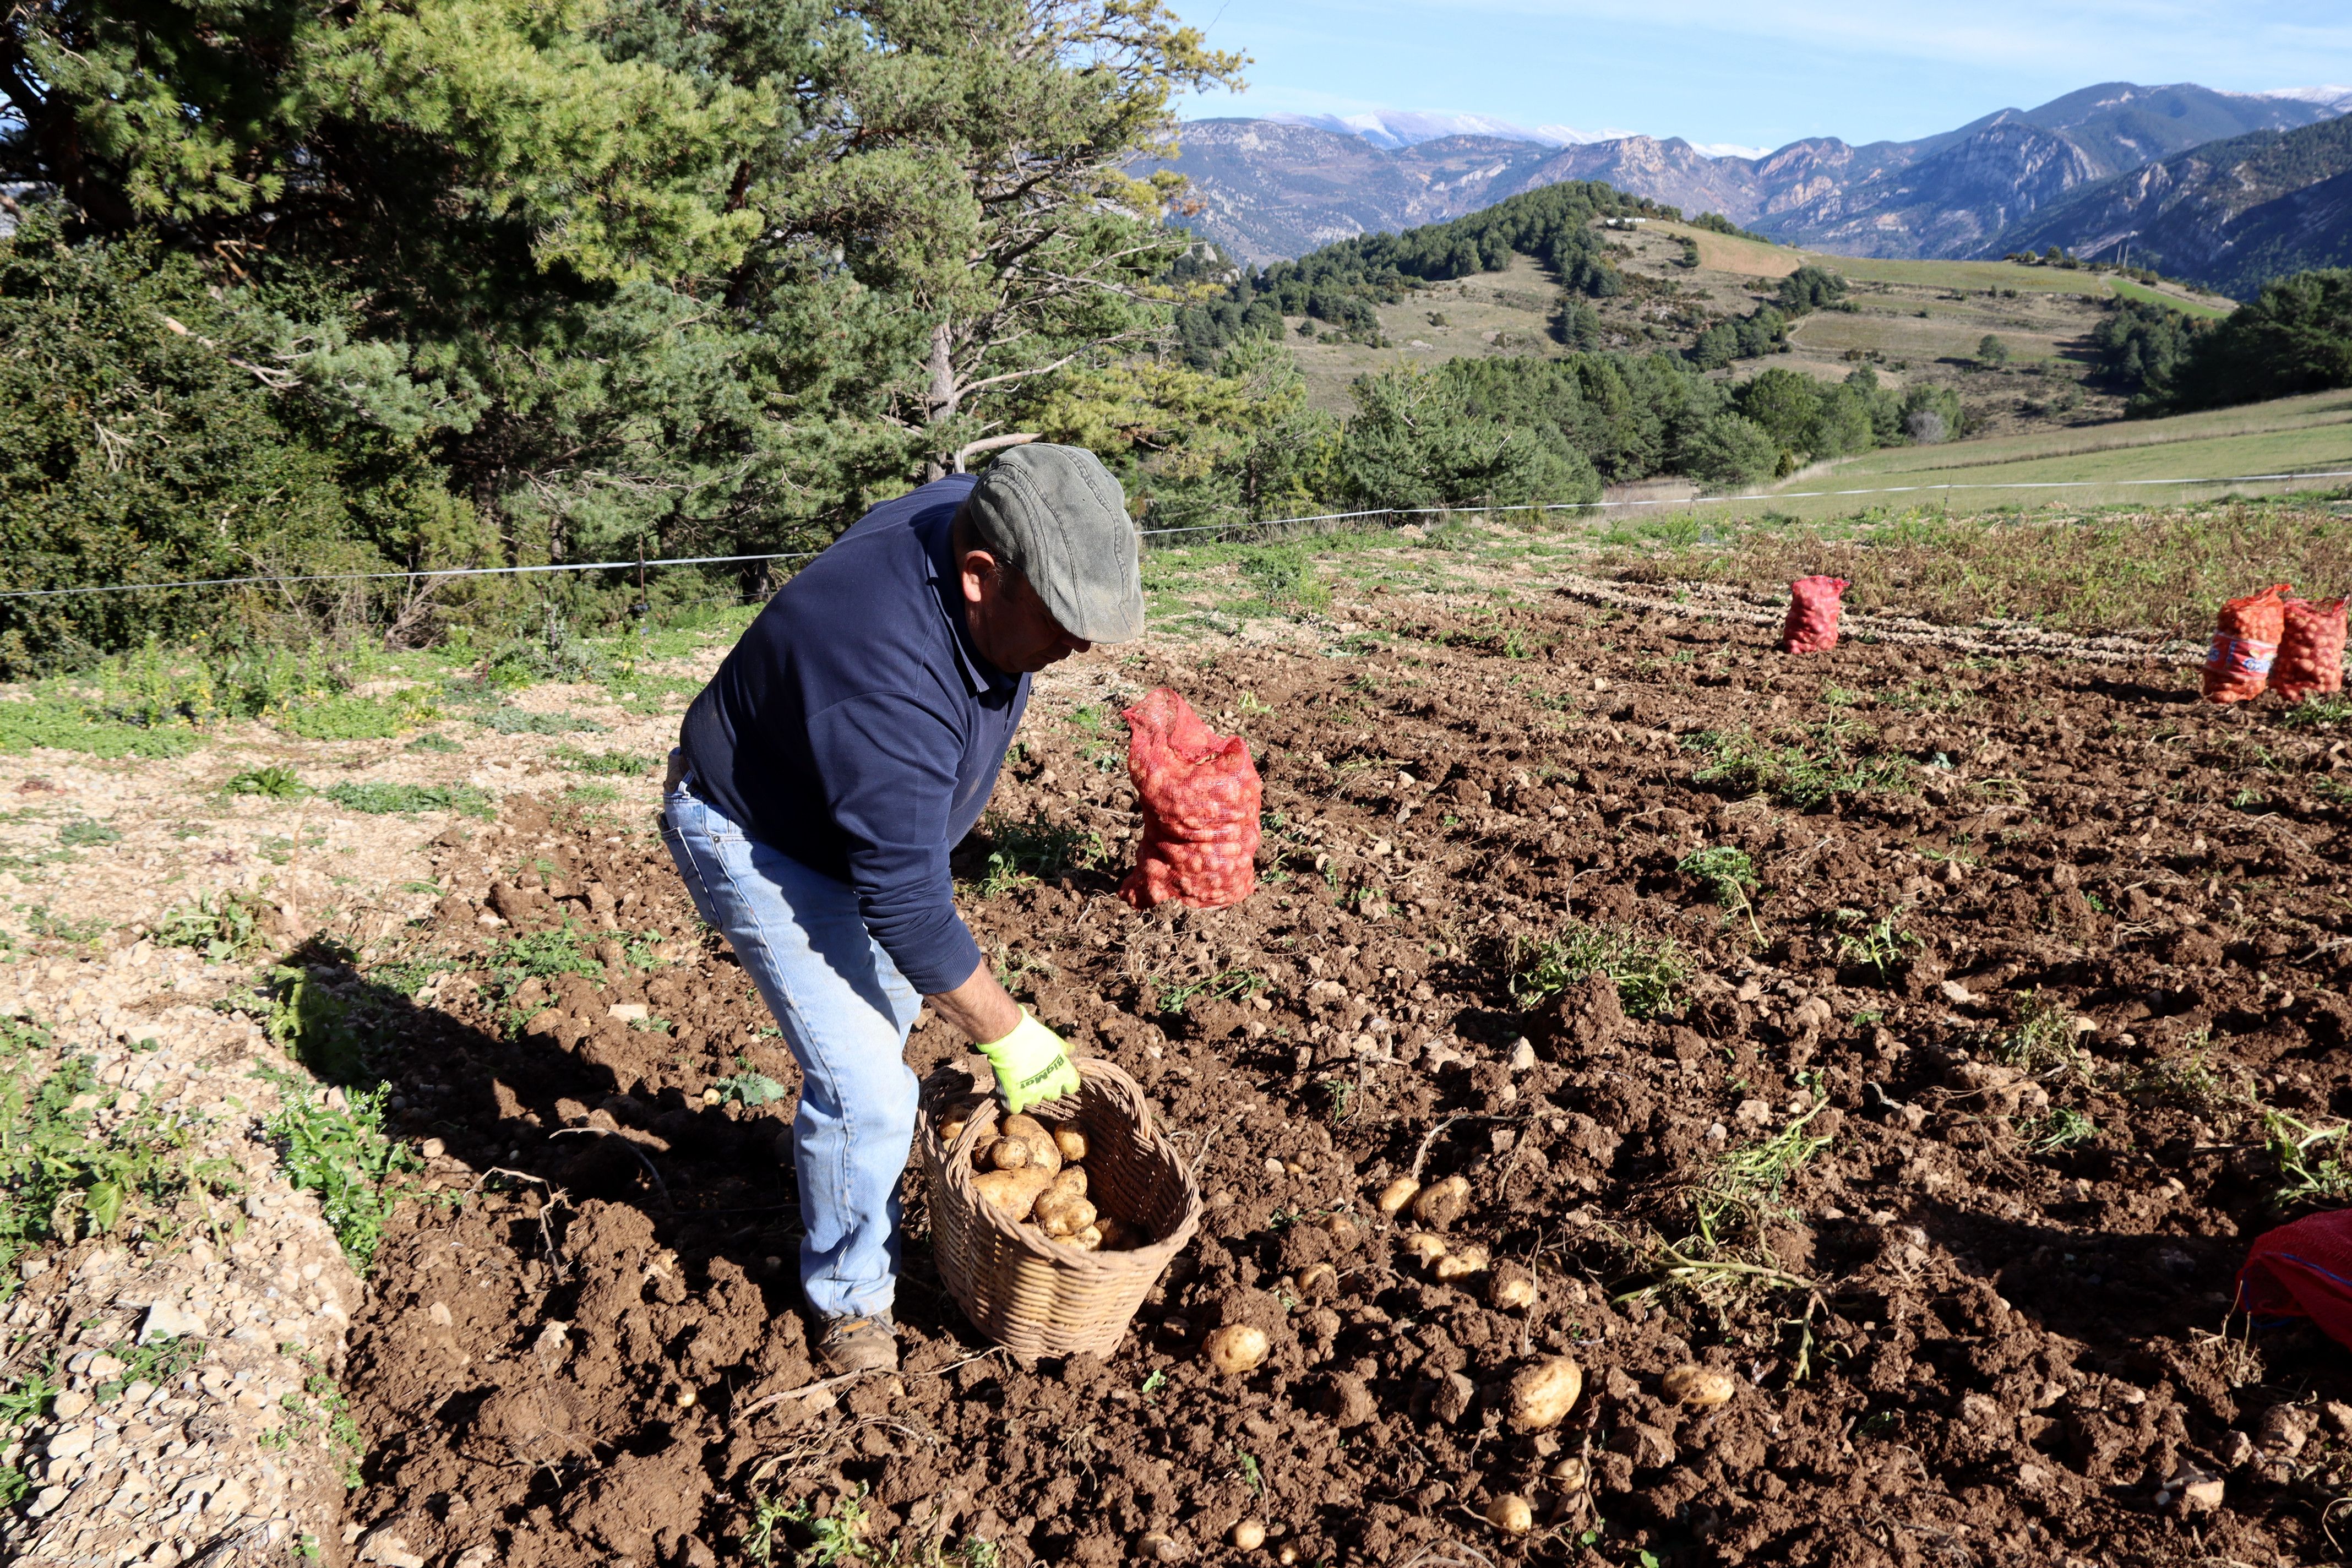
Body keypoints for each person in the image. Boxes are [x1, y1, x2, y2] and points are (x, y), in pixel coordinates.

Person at [660, 444, 1145, 1374]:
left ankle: (846, 1166)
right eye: (1065, 621)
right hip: (757, 840)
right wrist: (1010, 1035)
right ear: (981, 576)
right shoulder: (882, 672)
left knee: (880, 1040)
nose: (1079, 650)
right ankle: (852, 1300)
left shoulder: (982, 514)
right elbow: (909, 908)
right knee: (870, 1085)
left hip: (841, 816)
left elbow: (900, 883)